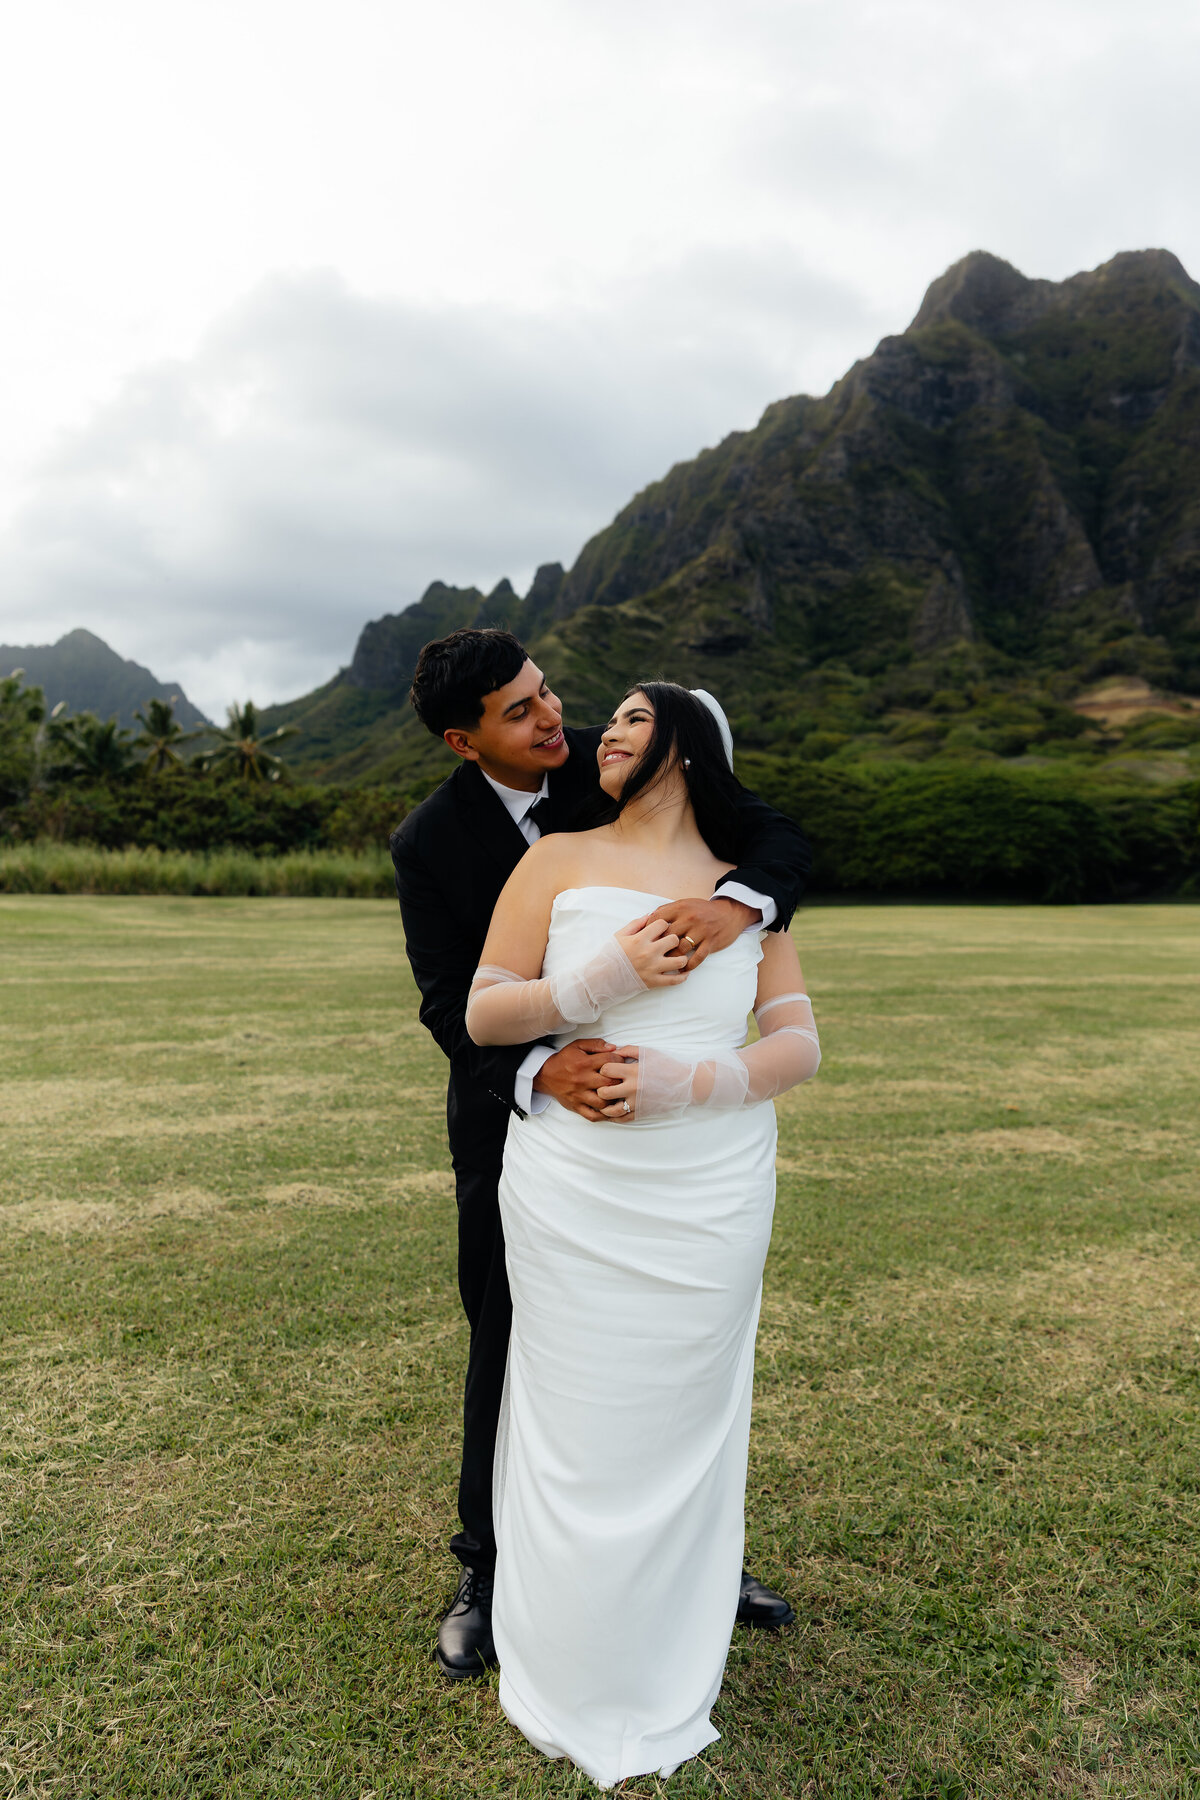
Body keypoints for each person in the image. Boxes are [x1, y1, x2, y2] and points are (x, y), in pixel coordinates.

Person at [390, 630, 811, 1682]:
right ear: (465, 740)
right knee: (511, 1341)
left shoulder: (615, 756)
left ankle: (696, 1562)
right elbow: (452, 1007)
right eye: (521, 712)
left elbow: (773, 836)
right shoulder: (431, 841)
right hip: (524, 1121)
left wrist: (732, 907)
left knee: (679, 1358)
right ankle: (488, 1569)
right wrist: (546, 1071)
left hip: (692, 1155)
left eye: (549, 695)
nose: (556, 723)